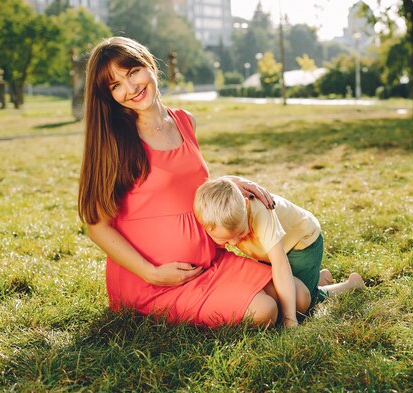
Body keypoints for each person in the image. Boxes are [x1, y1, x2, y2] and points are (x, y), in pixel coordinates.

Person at [78, 36, 304, 328]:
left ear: (149, 66)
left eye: (133, 72)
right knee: (265, 312)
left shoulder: (185, 122)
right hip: (154, 282)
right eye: (116, 85)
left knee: (298, 297)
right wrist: (149, 272)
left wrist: (226, 182)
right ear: (108, 96)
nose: (131, 88)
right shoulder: (114, 142)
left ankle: (322, 288)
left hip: (209, 261)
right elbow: (96, 226)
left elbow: (183, 184)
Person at [193, 177, 366, 317]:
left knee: (303, 304)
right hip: (271, 251)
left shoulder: (261, 213)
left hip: (301, 243)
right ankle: (318, 278)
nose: (234, 242)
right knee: (288, 289)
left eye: (240, 234)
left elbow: (280, 266)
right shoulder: (214, 213)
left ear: (245, 207)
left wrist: (290, 319)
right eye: (226, 239)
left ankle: (350, 285)